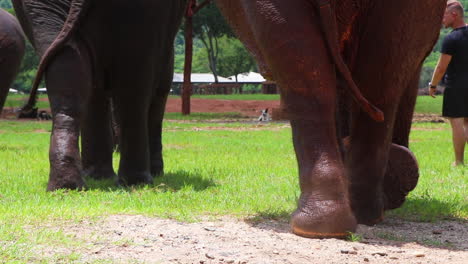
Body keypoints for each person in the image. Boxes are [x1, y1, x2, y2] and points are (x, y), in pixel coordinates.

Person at [429, 0, 468, 166]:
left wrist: (433, 85)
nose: (441, 20)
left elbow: (441, 68)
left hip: (456, 87)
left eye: (443, 15)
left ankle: (459, 162)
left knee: (457, 122)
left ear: (454, 14)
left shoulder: (451, 39)